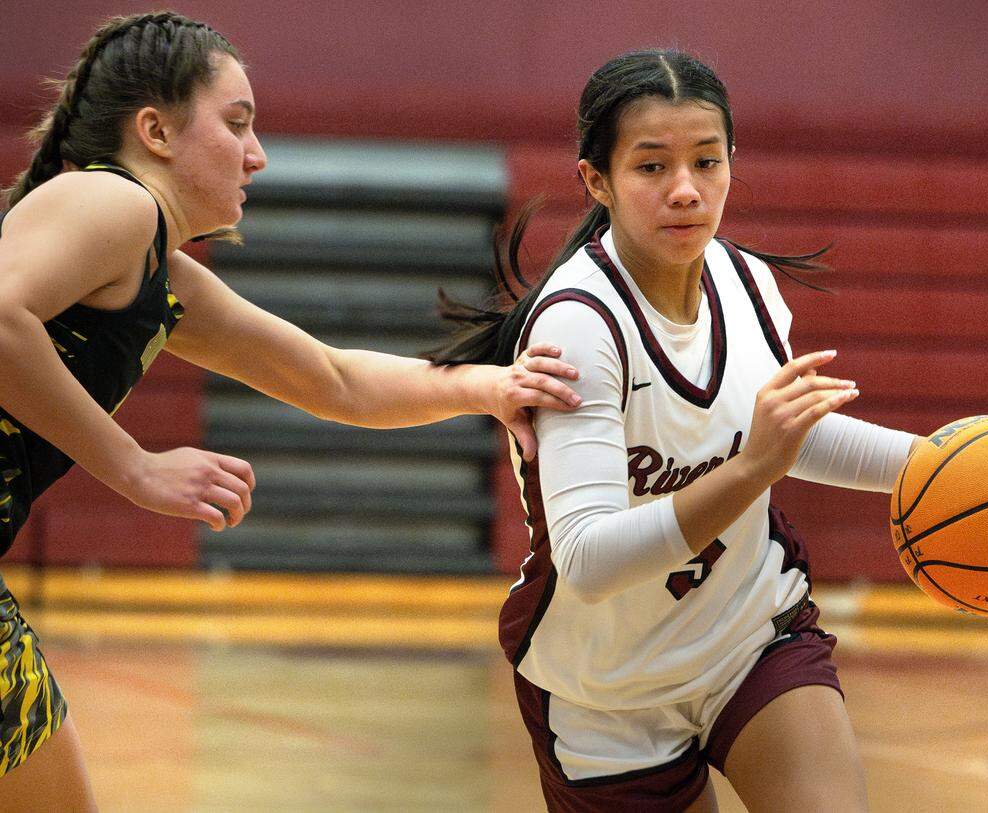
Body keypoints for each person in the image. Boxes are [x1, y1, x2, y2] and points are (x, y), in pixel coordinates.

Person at [0, 13, 580, 811]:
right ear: (155, 132)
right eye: (236, 122)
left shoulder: (162, 277)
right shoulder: (115, 201)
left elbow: (333, 379)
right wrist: (134, 465)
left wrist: (487, 386)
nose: (257, 154)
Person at [429, 50, 925, 812]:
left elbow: (786, 437)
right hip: (604, 688)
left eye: (707, 161)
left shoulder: (749, 285)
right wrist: (751, 470)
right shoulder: (577, 325)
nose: (686, 188)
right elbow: (589, 558)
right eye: (652, 166)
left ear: (732, 163)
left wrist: (956, 462)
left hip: (748, 635)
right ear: (596, 180)